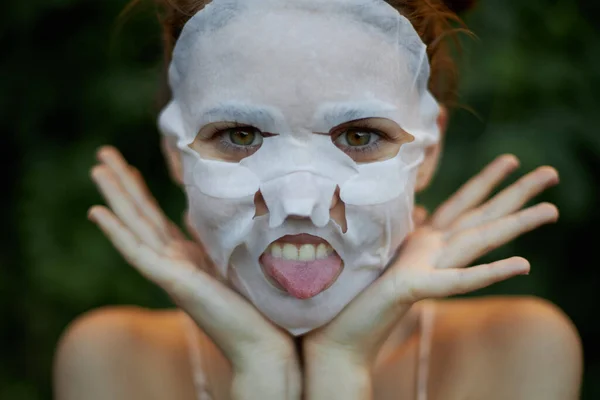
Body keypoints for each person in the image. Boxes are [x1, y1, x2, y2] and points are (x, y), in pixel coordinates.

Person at [53, 0, 583, 399]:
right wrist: (259, 367)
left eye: (358, 137)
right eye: (240, 135)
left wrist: (342, 366)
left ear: (430, 149)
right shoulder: (110, 363)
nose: (300, 203)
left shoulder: (518, 355)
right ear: (176, 152)